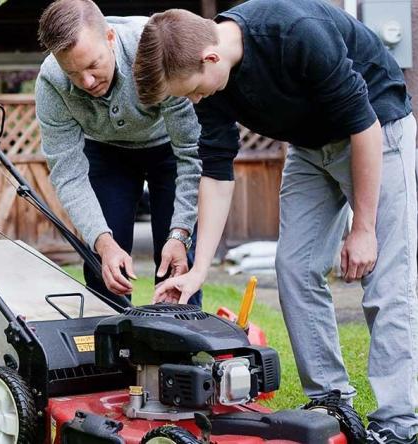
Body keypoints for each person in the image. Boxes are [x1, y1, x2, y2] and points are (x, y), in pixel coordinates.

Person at [136, 1, 417, 441]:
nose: (191, 100)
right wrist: (197, 271)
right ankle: (331, 401)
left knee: (386, 279)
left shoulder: (294, 33)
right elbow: (216, 170)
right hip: (310, 146)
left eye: (189, 90)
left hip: (378, 130)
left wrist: (362, 228)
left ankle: (398, 425)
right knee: (295, 267)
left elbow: (365, 127)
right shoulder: (211, 81)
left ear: (210, 58)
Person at [35, 0, 203, 304]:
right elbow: (69, 175)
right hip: (106, 151)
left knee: (175, 258)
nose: (86, 81)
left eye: (92, 65)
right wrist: (103, 243)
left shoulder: (155, 49)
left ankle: (182, 342)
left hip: (168, 148)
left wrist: (179, 234)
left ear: (110, 39)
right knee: (102, 265)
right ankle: (111, 345)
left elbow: (191, 154)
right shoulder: (50, 82)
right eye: (72, 73)